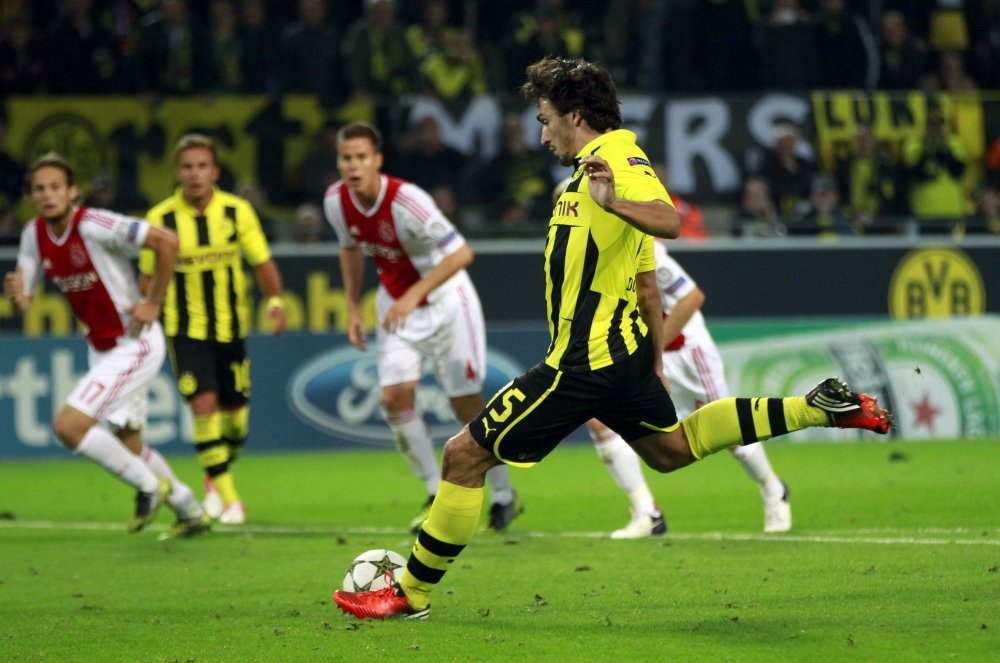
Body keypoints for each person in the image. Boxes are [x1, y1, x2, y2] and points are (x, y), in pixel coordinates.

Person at [333, 56, 891, 621]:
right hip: (622, 356)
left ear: (576, 116)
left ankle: (411, 593)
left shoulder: (617, 158)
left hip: (584, 361)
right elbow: (646, 283)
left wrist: (615, 202)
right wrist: (652, 363)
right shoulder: (587, 175)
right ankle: (817, 407)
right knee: (671, 450)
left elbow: (668, 220)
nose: (542, 134)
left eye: (546, 120)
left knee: (462, 455)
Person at [323, 121, 523, 535]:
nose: (353, 165)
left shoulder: (407, 201)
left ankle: (504, 495)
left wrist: (414, 294)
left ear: (377, 160)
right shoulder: (335, 201)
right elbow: (350, 248)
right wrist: (352, 306)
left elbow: (461, 253)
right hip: (398, 308)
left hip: (447, 302)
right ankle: (435, 492)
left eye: (361, 157)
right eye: (346, 158)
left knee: (465, 405)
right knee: (394, 398)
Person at [3, 153, 211, 540]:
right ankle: (189, 509)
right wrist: (16, 295)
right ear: (31, 196)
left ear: (72, 192)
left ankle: (148, 485)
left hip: (134, 341)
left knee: (68, 426)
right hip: (101, 348)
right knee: (128, 442)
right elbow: (25, 299)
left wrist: (153, 302)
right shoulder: (34, 234)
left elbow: (166, 241)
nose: (47, 195)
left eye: (55, 187)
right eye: (39, 189)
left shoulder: (95, 224)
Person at [584, 240, 791, 538]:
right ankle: (647, 513)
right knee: (599, 420)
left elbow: (691, 297)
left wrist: (652, 350)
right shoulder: (588, 254)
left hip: (686, 356)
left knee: (726, 430)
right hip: (642, 357)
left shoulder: (642, 248)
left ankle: (774, 489)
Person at [141, 134, 287, 525]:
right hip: (185, 330)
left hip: (230, 329)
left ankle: (213, 476)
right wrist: (145, 312)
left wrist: (275, 299)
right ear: (177, 172)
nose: (195, 173)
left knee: (235, 423)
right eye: (187, 166)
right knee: (203, 407)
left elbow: (261, 261)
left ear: (215, 171)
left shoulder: (237, 212)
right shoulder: (160, 219)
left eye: (202, 166)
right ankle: (231, 499)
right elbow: (147, 276)